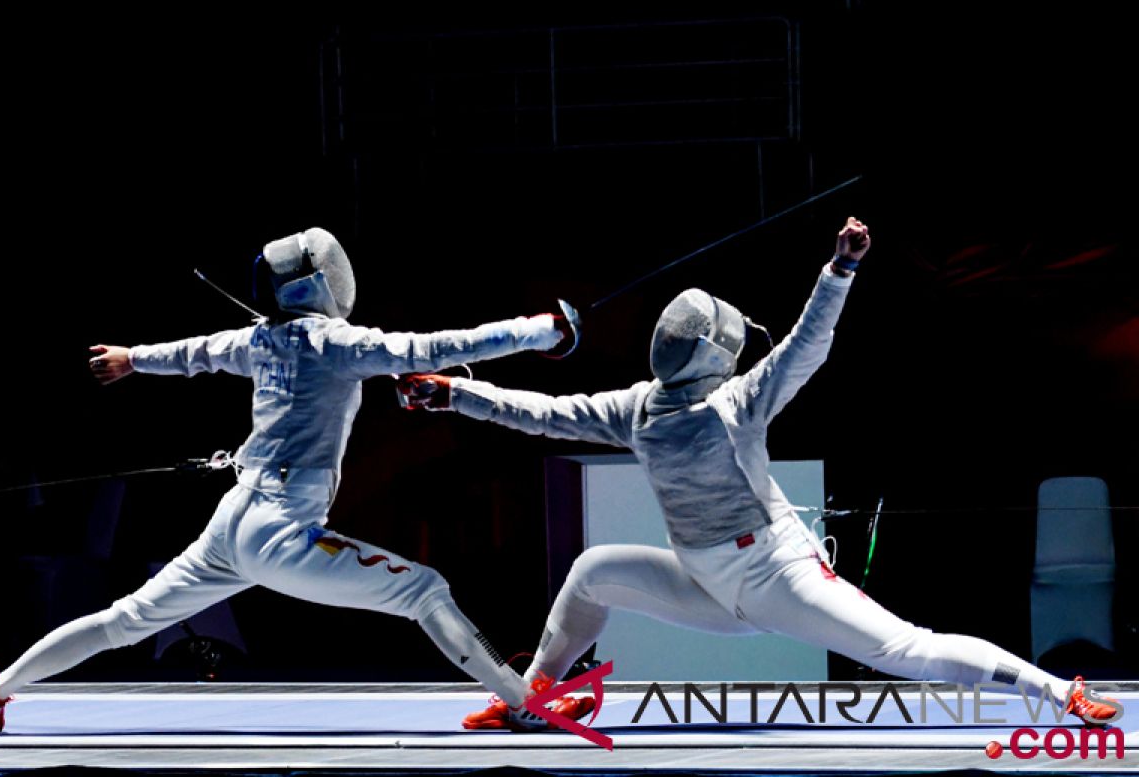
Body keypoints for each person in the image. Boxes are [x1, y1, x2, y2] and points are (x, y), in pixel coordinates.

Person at [397, 217, 1118, 729]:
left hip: (780, 579)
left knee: (906, 647)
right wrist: (458, 393)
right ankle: (532, 698)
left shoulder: (692, 405)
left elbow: (806, 347)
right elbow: (544, 412)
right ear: (714, 353)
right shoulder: (672, 407)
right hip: (708, 584)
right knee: (591, 571)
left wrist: (838, 273)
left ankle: (1060, 693)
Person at [0, 227, 589, 734]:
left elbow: (192, 353)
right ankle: (523, 703)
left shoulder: (258, 338)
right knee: (424, 590)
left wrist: (132, 359)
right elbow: (436, 346)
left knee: (124, 619)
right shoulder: (341, 342)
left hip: (231, 523)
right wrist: (539, 331)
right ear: (326, 282)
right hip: (282, 528)